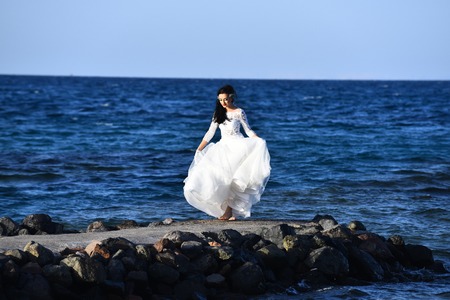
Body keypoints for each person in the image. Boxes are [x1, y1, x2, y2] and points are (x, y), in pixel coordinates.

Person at [183, 84, 271, 221]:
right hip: (223, 149)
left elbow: (248, 130)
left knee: (235, 181)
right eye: (220, 100)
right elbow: (210, 132)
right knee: (218, 179)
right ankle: (227, 211)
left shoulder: (239, 112)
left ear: (231, 98)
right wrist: (199, 148)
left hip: (238, 148)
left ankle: (230, 212)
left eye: (225, 99)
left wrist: (259, 140)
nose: (223, 102)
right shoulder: (218, 113)